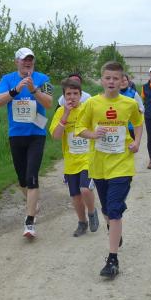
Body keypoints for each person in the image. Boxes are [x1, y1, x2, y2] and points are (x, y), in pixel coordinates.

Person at [75, 61, 143, 278]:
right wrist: (93, 134)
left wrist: (137, 142)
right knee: (106, 209)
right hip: (99, 165)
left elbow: (138, 122)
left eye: (116, 78)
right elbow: (79, 128)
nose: (111, 82)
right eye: (108, 78)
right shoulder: (92, 104)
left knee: (113, 209)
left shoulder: (129, 103)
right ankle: (115, 228)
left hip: (122, 165)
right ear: (101, 80)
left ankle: (112, 260)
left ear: (122, 81)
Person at [0, 47, 54, 239]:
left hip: (37, 133)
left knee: (31, 176)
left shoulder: (43, 79)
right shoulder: (7, 79)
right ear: (16, 62)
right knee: (22, 179)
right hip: (16, 134)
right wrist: (16, 89)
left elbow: (48, 103)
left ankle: (29, 221)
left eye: (30, 60)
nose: (28, 62)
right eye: (24, 60)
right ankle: (32, 204)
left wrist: (33, 89)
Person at [49, 77, 100, 237]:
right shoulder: (60, 112)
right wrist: (65, 115)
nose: (72, 97)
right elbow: (56, 136)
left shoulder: (87, 109)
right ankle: (82, 222)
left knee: (85, 189)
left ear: (80, 95)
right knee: (76, 196)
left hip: (88, 158)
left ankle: (92, 212)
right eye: (68, 94)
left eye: (75, 93)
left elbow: (97, 129)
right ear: (64, 96)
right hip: (71, 161)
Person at [120, 72, 145, 140]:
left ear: (128, 81)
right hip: (118, 126)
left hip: (131, 127)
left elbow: (142, 108)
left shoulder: (133, 93)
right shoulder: (113, 93)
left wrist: (138, 110)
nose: (122, 82)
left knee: (131, 145)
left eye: (124, 80)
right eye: (120, 80)